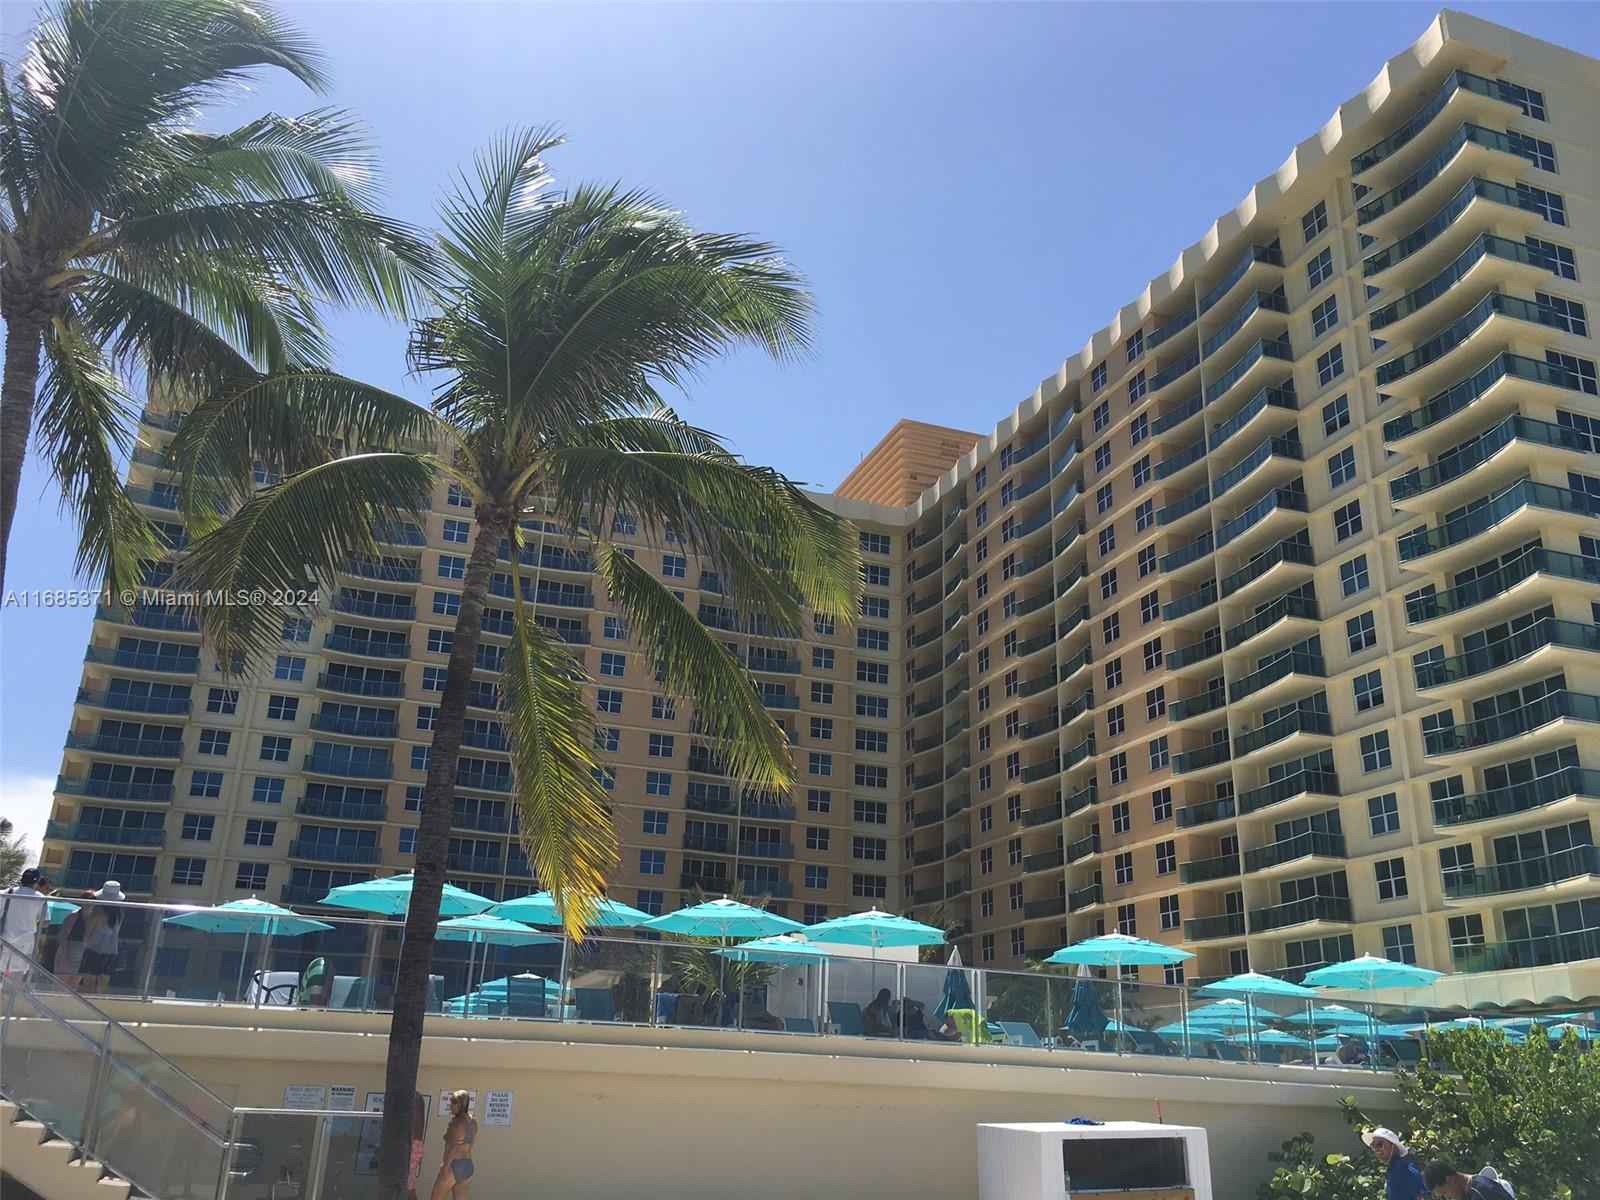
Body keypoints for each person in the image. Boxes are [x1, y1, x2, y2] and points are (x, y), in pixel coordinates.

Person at [0, 868, 50, 975]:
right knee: (17, 974)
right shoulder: (40, 898)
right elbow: (45, 922)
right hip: (25, 940)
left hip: (4, 937)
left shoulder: (6, 893)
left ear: (21, 879)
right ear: (37, 882)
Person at [79, 880, 125, 993]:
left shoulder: (98, 911)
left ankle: (87, 1002)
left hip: (94, 949)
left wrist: (83, 948)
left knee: (88, 982)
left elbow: (89, 932)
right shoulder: (119, 914)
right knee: (103, 983)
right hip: (111, 950)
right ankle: (102, 1001)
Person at [429, 1089, 476, 1200]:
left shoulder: (455, 1123)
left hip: (453, 1164)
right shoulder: (473, 1122)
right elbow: (470, 1143)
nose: (450, 1106)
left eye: (453, 1103)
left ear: (459, 1105)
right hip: (467, 1164)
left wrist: (445, 1167)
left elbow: (453, 1148)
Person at [1363, 1127, 1427, 1200]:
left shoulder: (1404, 1168)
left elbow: (1423, 1197)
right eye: (1373, 1145)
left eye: (1379, 1144)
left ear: (1394, 1147)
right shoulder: (1392, 1170)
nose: (1376, 1149)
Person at [52, 891, 98, 987]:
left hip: (83, 955)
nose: (90, 903)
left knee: (72, 986)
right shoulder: (74, 915)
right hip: (69, 950)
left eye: (93, 900)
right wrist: (64, 957)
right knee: (60, 986)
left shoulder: (95, 918)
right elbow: (63, 937)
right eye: (87, 900)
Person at [1422, 1161, 1515, 1199]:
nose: (1447, 1197)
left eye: (1444, 1192)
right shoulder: (1466, 1194)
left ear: (1449, 1180)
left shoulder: (1483, 1190)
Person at [406, 1091, 428, 1200]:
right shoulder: (417, 1098)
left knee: (408, 1186)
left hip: (411, 1145)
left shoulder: (414, 1098)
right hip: (413, 1144)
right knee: (409, 1185)